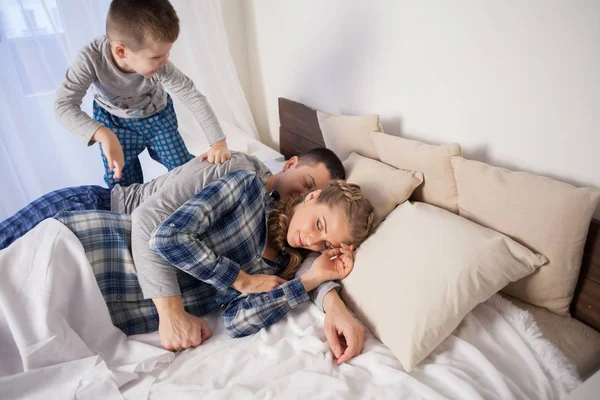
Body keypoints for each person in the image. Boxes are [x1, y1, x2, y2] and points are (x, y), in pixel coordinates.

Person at [0, 148, 367, 364]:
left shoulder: (279, 263)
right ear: (301, 182)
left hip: (110, 305)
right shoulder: (242, 179)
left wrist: (317, 284)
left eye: (323, 242)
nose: (312, 239)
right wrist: (236, 281)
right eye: (308, 187)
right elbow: (160, 231)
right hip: (98, 235)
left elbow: (240, 320)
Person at [54, 0, 230, 188]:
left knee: (184, 170)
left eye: (167, 53)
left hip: (158, 118)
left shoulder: (161, 66)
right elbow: (63, 105)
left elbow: (191, 94)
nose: (165, 61)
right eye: (156, 57)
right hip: (114, 124)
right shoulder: (90, 59)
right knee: (121, 183)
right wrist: (103, 134)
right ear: (121, 51)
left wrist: (218, 142)